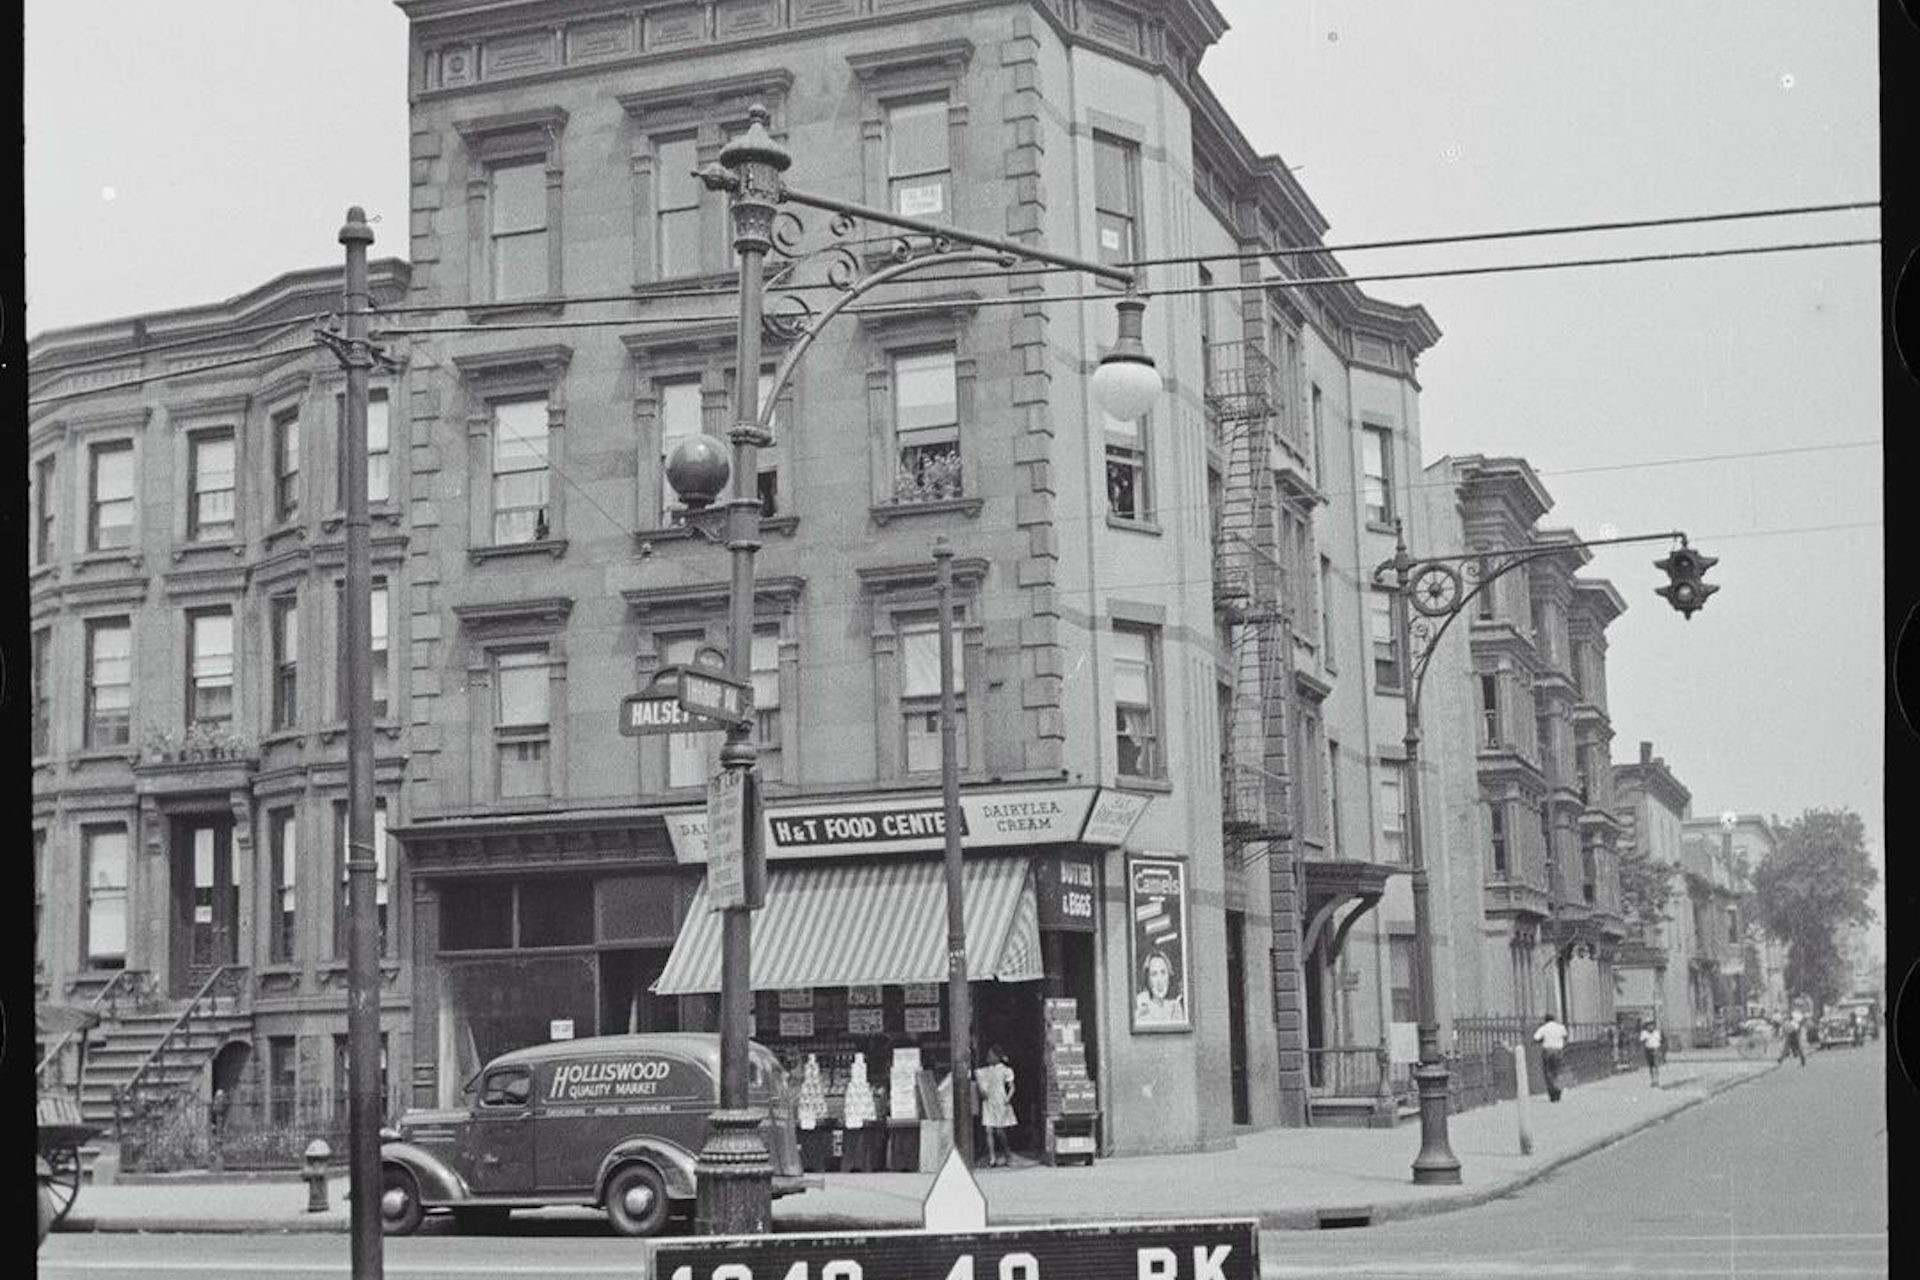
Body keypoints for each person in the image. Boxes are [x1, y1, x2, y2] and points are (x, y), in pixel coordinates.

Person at [974, 1045, 1016, 1167]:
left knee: (999, 1131)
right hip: (989, 1102)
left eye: (991, 1055)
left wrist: (1008, 1098)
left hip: (1001, 1101)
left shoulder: (1005, 1070)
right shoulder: (985, 1071)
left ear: (997, 1057)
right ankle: (992, 1158)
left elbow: (1012, 1087)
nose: (988, 1057)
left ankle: (1007, 1152)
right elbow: (982, 1086)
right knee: (988, 1130)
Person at [1135, 949, 1187, 1025]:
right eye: (1154, 974)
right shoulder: (1142, 1011)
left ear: (1169, 976)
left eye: (1163, 972)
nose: (1160, 981)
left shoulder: (1175, 1008)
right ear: (1148, 979)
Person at [1532, 1012, 1570, 1102]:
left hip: (1548, 1051)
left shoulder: (1543, 1028)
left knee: (1548, 1073)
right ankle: (1558, 1093)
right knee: (1558, 1072)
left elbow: (1536, 1038)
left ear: (1545, 1020)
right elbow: (1565, 1036)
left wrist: (1543, 1040)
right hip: (1558, 1051)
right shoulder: (1560, 1027)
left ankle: (1552, 1095)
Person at [1637, 1020, 1663, 1087]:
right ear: (1647, 1026)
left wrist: (1659, 1049)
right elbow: (1641, 1041)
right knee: (1651, 1066)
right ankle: (1652, 1081)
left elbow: (1660, 1041)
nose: (1650, 1027)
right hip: (1648, 1049)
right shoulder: (1644, 1033)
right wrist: (1645, 1039)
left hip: (1655, 1049)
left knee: (1656, 1065)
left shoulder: (1656, 1032)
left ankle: (1657, 1080)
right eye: (1649, 1025)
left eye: (1652, 1025)